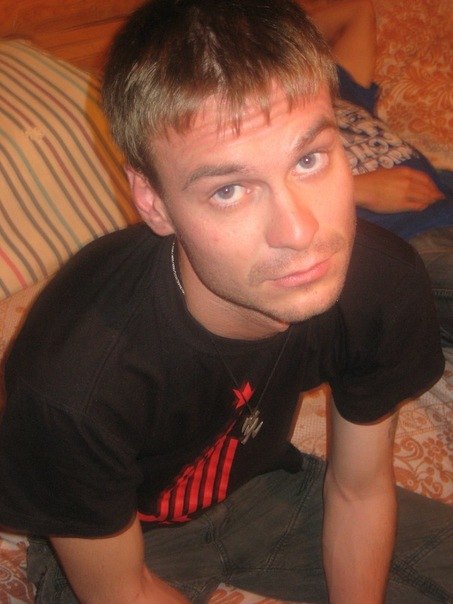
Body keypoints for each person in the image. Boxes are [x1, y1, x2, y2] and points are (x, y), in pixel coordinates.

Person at [0, 1, 451, 602]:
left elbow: (358, 489)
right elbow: (121, 590)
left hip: (259, 486)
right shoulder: (72, 383)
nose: (299, 231)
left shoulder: (380, 283)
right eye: (230, 190)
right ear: (153, 202)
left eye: (309, 159)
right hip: (118, 531)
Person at [302, 0, 453, 346]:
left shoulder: (335, 88)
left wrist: (275, 26)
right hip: (403, 244)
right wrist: (355, 188)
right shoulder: (256, 116)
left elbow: (358, 11)